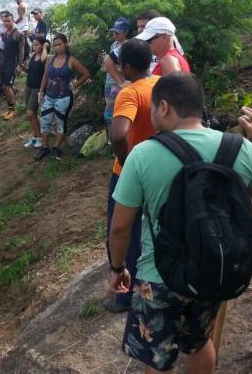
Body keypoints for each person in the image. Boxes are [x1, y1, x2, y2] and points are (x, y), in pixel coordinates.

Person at [108, 72, 252, 373]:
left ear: (164, 107)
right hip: (213, 266)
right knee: (199, 341)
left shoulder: (143, 154)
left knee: (155, 353)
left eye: (153, 108)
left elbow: (121, 226)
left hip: (159, 275)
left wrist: (118, 267)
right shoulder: (238, 148)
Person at [102, 38, 159, 313]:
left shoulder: (130, 92)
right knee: (145, 232)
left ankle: (124, 295)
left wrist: (128, 167)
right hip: (157, 169)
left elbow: (118, 134)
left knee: (122, 232)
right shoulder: (161, 85)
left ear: (125, 66)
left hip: (130, 172)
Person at [35, 33, 90, 161]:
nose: (57, 47)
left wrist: (75, 84)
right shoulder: (50, 59)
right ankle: (44, 147)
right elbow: (45, 76)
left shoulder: (71, 60)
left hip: (64, 97)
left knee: (61, 123)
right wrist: (41, 92)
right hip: (49, 96)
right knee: (45, 121)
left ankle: (56, 147)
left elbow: (86, 73)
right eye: (55, 45)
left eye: (60, 44)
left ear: (65, 45)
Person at [19, 36, 48, 148]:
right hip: (29, 86)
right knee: (31, 115)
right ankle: (35, 136)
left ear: (42, 45)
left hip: (37, 88)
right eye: (33, 44)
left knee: (30, 113)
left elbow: (43, 60)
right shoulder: (32, 56)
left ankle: (39, 137)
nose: (34, 46)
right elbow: (30, 71)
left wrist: (45, 47)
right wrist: (24, 68)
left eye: (37, 45)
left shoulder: (46, 57)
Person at [103, 17, 130, 129]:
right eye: (114, 32)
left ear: (126, 32)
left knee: (119, 111)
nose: (115, 34)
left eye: (118, 32)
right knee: (109, 112)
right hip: (109, 82)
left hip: (121, 83)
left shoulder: (128, 46)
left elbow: (127, 68)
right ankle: (112, 137)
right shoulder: (113, 45)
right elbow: (108, 66)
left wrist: (113, 67)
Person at [0, 13, 25, 121]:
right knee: (4, 87)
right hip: (4, 63)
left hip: (12, 63)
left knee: (8, 86)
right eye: (5, 21)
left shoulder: (18, 33)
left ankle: (13, 110)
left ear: (13, 21)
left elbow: (22, 50)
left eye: (9, 21)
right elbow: (4, 50)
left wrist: (20, 64)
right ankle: (9, 109)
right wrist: (0, 62)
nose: (6, 23)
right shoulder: (5, 33)